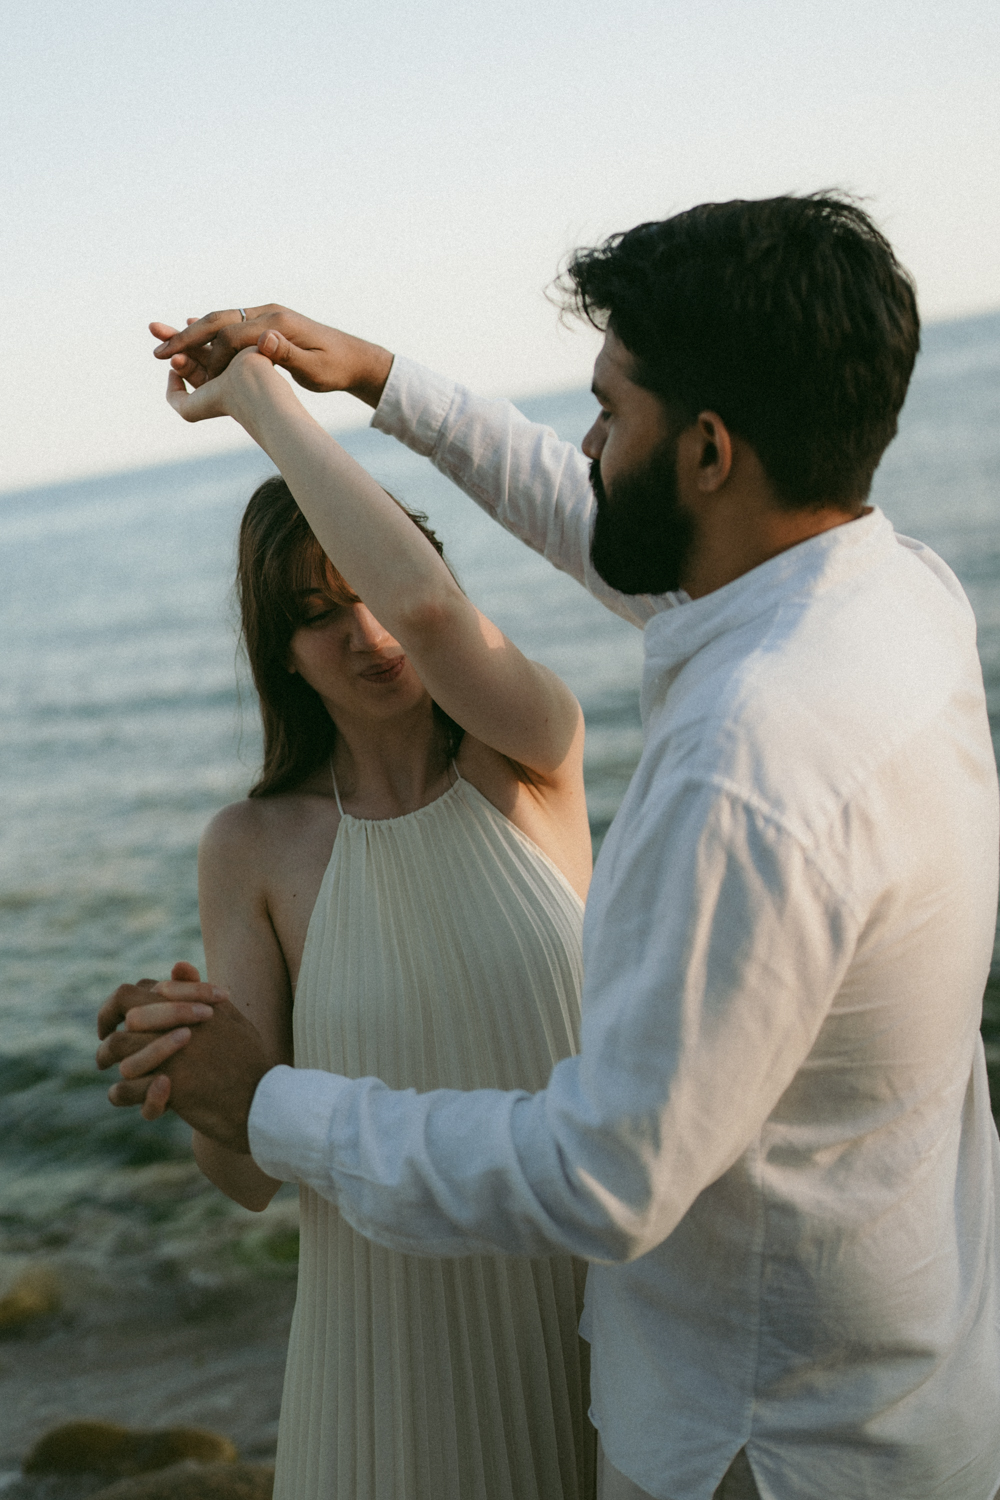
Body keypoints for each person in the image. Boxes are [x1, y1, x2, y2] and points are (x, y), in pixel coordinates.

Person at [99, 194, 1000, 1500]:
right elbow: (588, 524)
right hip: (903, 1375)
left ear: (707, 453)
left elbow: (604, 1174)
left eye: (609, 413)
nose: (584, 444)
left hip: (759, 1438)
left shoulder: (747, 755)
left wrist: (273, 1100)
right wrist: (377, 376)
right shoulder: (898, 593)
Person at [100, 357, 598, 1500]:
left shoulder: (532, 755)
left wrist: (263, 400)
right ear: (279, 652)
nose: (366, 635)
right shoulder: (251, 848)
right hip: (391, 1348)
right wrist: (191, 1063)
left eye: (371, 589)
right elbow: (244, 1177)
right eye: (315, 617)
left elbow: (430, 615)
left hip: (590, 1295)